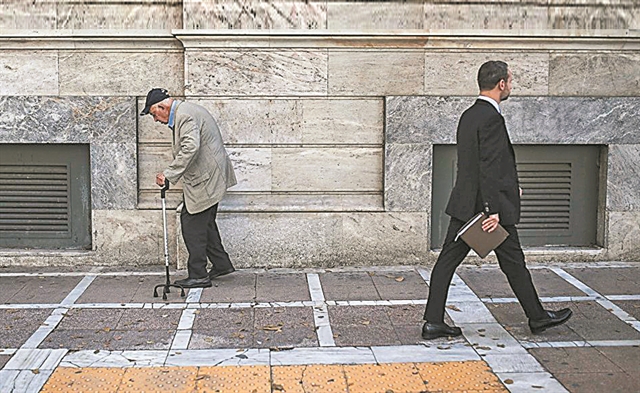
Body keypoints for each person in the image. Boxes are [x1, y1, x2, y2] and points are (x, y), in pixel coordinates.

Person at [421, 61, 572, 339]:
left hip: (467, 204)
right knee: (512, 262)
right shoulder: (491, 118)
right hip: (485, 211)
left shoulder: (469, 115)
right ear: (501, 83)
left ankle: (433, 321)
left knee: (453, 263)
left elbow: (485, 165)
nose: (510, 86)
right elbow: (489, 166)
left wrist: (512, 189)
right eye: (510, 81)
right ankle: (537, 318)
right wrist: (493, 210)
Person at [141, 88, 237, 289]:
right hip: (211, 176)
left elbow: (190, 147)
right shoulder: (186, 111)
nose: (155, 119)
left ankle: (198, 274)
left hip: (207, 178)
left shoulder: (184, 116)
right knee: (205, 221)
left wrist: (169, 174)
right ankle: (221, 264)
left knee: (191, 223)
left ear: (163, 106)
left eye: (153, 113)